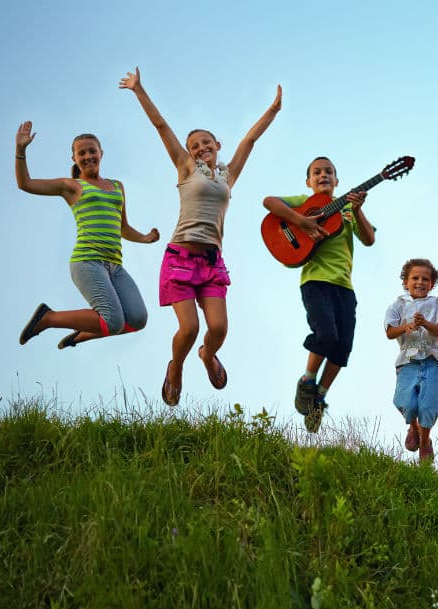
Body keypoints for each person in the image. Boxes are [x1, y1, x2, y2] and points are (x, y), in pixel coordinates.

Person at [119, 67, 281, 406]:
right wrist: (139, 89)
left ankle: (207, 356)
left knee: (219, 328)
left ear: (217, 146)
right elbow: (161, 126)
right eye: (194, 145)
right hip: (180, 258)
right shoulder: (186, 168)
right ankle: (175, 367)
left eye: (206, 142)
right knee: (189, 328)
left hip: (211, 262)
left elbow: (249, 140)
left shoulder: (227, 176)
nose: (200, 147)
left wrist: (273, 110)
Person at [15, 122, 159, 349]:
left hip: (115, 266)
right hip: (87, 261)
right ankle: (48, 318)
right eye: (81, 153)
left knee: (138, 319)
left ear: (101, 153)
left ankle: (81, 335)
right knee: (113, 321)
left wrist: (144, 238)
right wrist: (21, 151)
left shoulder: (117, 186)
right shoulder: (71, 186)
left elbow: (122, 227)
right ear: (74, 158)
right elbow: (25, 184)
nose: (88, 156)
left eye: (92, 150)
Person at [262, 157, 374, 432]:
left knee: (342, 347)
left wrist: (357, 209)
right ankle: (307, 381)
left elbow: (369, 239)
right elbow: (269, 202)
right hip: (315, 280)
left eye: (329, 172)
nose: (323, 175)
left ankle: (319, 399)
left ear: (337, 181)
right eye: (317, 172)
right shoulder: (302, 199)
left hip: (345, 286)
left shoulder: (347, 208)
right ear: (309, 182)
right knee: (326, 335)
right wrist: (301, 221)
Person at [384, 259, 438, 462]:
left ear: (432, 284)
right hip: (407, 362)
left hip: (431, 360)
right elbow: (389, 332)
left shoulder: (437, 302)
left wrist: (425, 323)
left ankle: (425, 441)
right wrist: (406, 327)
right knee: (406, 402)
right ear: (405, 282)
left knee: (428, 404)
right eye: (415, 278)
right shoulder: (398, 305)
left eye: (425, 279)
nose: (420, 282)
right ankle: (413, 428)